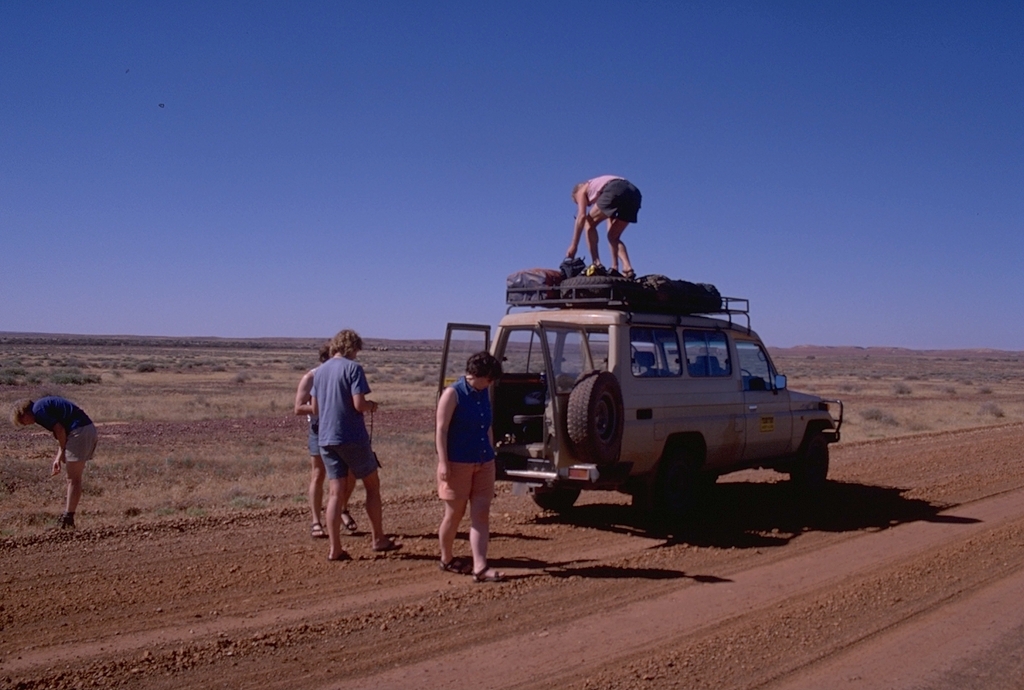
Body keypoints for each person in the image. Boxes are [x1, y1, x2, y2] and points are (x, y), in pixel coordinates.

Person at [312, 329, 400, 561]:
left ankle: (335, 548)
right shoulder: (353, 369)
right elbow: (359, 404)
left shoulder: (319, 372)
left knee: (335, 493)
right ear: (352, 347)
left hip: (326, 438)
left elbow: (314, 408)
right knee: (372, 485)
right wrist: (372, 406)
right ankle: (378, 539)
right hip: (351, 436)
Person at [435, 351, 505, 583]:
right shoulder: (453, 394)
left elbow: (487, 426)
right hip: (458, 463)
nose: (491, 383)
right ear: (478, 375)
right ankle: (446, 558)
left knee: (481, 514)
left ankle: (480, 566)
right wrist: (443, 462)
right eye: (489, 378)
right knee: (454, 514)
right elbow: (441, 430)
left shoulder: (484, 392)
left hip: (484, 460)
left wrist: (492, 452)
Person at [294, 341, 357, 539]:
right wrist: (324, 407)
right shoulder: (311, 377)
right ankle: (316, 521)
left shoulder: (344, 374)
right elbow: (298, 407)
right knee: (319, 474)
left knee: (351, 474)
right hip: (320, 429)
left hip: (342, 429)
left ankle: (342, 510)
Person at [12, 396, 98, 529]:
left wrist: (62, 452)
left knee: (73, 479)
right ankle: (68, 517)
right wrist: (59, 456)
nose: (25, 425)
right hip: (83, 430)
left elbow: (60, 431)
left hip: (79, 431)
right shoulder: (40, 407)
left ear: (24, 414)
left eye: (23, 422)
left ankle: (68, 519)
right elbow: (61, 433)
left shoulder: (39, 412)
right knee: (73, 478)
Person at [565, 175, 642, 279]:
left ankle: (596, 264)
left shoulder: (581, 190)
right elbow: (609, 224)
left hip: (615, 188)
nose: (588, 205)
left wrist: (574, 245)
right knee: (613, 236)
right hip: (634, 194)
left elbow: (582, 216)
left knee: (588, 223)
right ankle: (627, 268)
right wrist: (614, 266)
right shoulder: (600, 190)